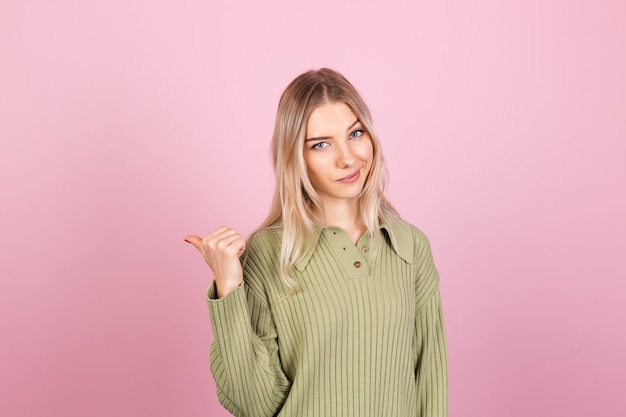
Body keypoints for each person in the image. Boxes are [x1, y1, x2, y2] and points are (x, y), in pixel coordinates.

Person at [185, 68, 447, 417]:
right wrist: (228, 287)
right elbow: (253, 403)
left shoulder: (409, 246)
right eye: (321, 144)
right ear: (297, 157)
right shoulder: (267, 253)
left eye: (355, 133)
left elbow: (430, 380)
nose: (347, 158)